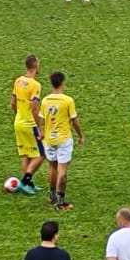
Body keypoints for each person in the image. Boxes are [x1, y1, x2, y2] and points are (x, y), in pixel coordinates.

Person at [41, 70, 84, 211]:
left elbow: (41, 119)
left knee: (52, 167)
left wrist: (42, 133)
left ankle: (52, 195)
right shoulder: (67, 101)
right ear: (63, 82)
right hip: (63, 139)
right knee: (62, 171)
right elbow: (75, 120)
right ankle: (60, 203)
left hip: (49, 139)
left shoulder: (45, 101)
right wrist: (80, 135)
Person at [11, 54, 45, 196]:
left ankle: (29, 185)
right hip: (30, 124)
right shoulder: (35, 85)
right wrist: (39, 127)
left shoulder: (18, 81)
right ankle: (25, 181)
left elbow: (13, 103)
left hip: (18, 122)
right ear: (36, 66)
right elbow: (34, 107)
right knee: (41, 154)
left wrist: (19, 115)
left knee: (27, 154)